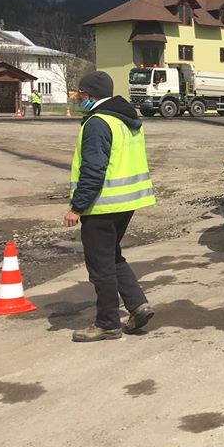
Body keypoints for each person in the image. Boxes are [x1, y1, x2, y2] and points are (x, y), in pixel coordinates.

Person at [64, 71, 156, 342]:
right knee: (112, 257)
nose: (78, 98)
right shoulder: (126, 119)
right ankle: (138, 305)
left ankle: (107, 324)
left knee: (100, 265)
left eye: (80, 93)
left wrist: (77, 208)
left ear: (90, 94)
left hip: (102, 205)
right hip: (126, 202)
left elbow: (94, 169)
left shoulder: (97, 123)